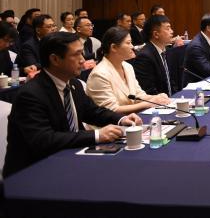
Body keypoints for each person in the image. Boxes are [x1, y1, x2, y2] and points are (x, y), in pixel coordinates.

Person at [3, 32, 141, 177]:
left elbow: (93, 112)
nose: (83, 60)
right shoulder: (31, 94)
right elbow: (44, 139)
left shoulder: (74, 84)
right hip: (35, 171)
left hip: (71, 159)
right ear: (55, 59)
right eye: (77, 54)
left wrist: (121, 119)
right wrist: (96, 135)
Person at [86, 27, 170, 114]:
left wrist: (155, 98)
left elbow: (138, 95)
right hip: (111, 122)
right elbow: (111, 109)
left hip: (132, 118)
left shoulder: (127, 66)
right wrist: (148, 103)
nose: (132, 46)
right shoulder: (99, 74)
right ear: (114, 47)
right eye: (128, 43)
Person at [133, 15, 179, 96]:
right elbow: (149, 91)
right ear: (156, 34)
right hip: (158, 101)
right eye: (168, 28)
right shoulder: (144, 57)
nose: (172, 31)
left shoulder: (166, 51)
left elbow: (171, 82)